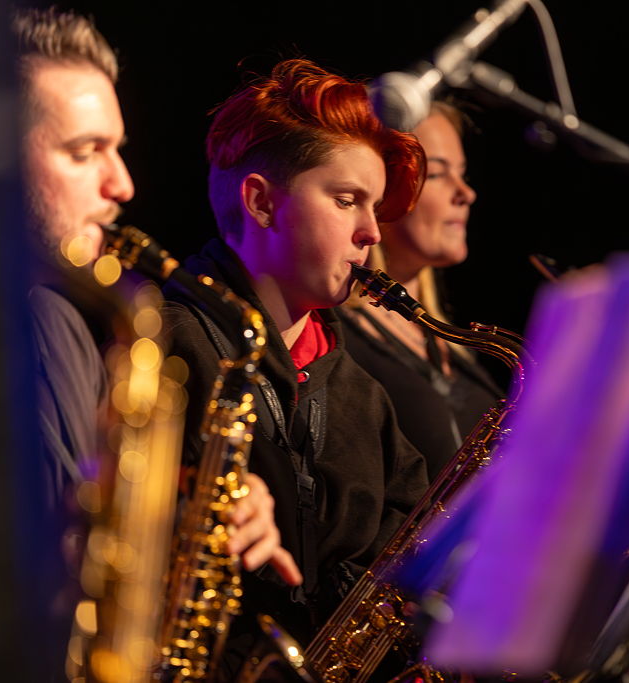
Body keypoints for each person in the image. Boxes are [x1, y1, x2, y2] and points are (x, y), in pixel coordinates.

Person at [14, 8, 302, 671]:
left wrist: (195, 509)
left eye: (116, 148)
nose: (123, 184)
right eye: (85, 151)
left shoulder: (64, 318)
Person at [162, 58, 430, 667]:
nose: (372, 233)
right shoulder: (163, 346)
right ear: (262, 202)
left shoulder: (365, 397)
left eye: (374, 207)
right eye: (347, 200)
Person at [340, 102, 503, 478]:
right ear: (381, 190)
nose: (466, 193)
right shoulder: (339, 342)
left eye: (462, 173)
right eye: (438, 174)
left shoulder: (451, 344)